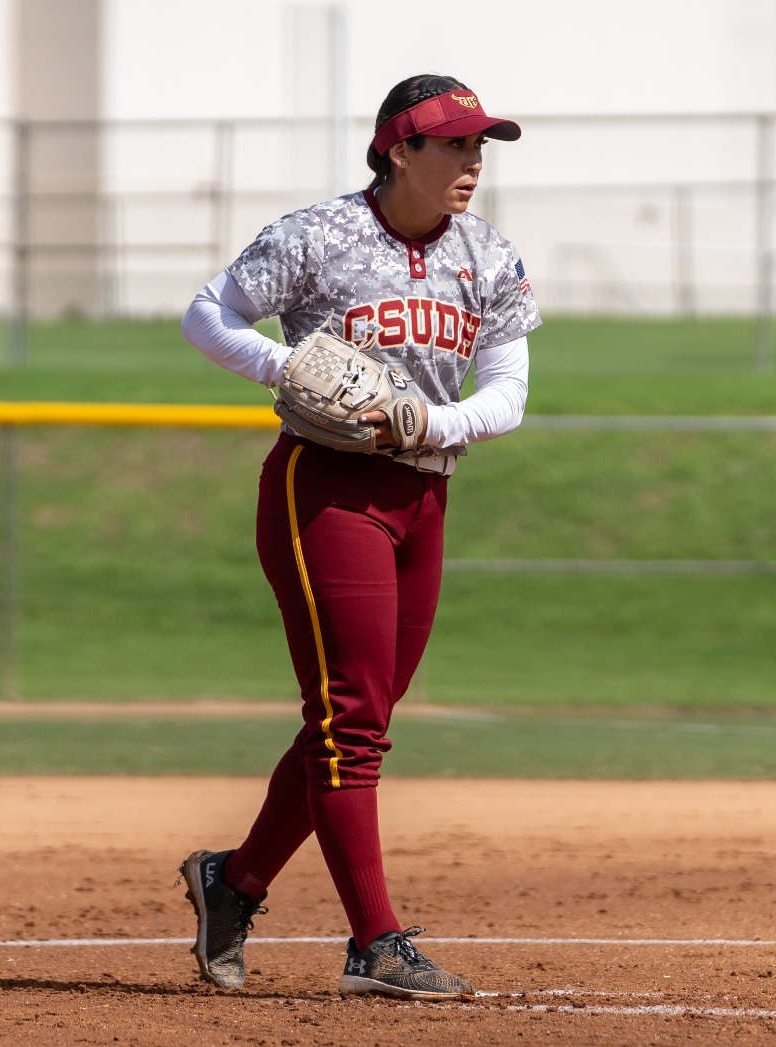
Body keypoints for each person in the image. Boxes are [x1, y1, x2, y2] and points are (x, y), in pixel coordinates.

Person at [175, 74, 539, 1000]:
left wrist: (432, 423)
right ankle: (373, 944)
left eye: (479, 145)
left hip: (424, 497)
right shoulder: (317, 236)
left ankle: (235, 881)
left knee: (355, 723)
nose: (473, 161)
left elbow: (507, 393)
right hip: (326, 490)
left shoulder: (488, 256)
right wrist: (282, 366)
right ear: (397, 150)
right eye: (455, 144)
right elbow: (207, 315)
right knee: (350, 723)